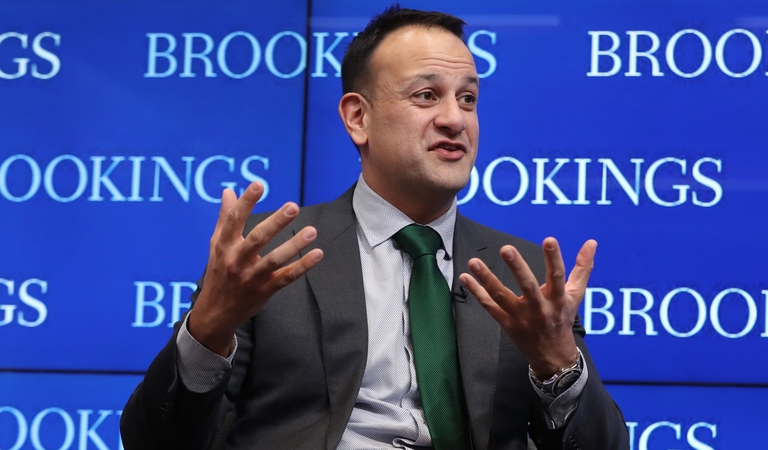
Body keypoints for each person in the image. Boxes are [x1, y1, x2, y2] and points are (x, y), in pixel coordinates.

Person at [121, 7, 627, 450]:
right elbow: (155, 440)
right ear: (358, 117)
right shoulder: (270, 254)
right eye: (427, 96)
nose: (455, 119)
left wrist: (558, 363)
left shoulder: (523, 272)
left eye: (468, 99)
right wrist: (208, 331)